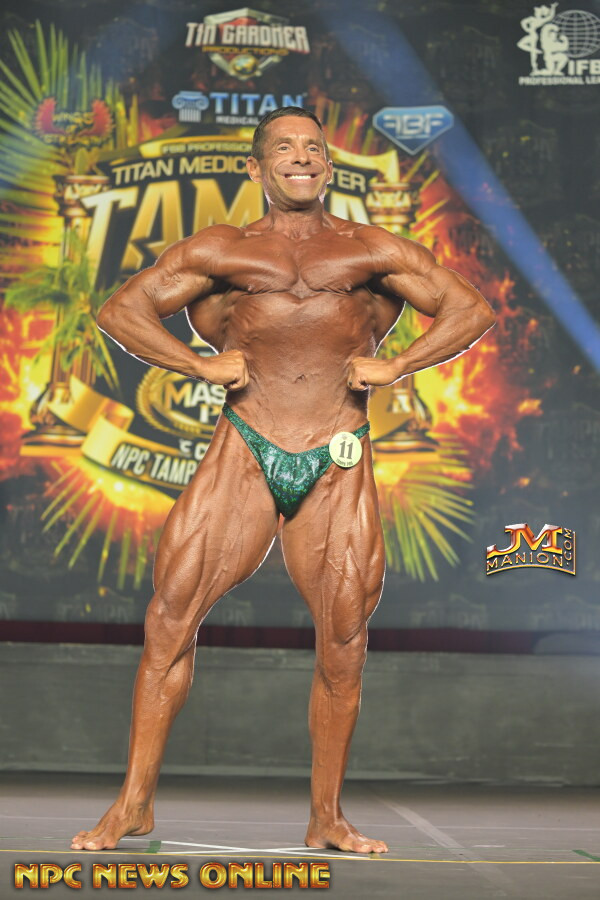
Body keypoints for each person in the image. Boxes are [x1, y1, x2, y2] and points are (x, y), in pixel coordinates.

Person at [71, 107, 495, 854]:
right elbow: (122, 309)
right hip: (245, 446)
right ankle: (133, 804)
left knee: (344, 640)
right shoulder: (222, 249)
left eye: (313, 148)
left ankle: (327, 816)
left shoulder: (371, 248)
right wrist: (196, 364)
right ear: (257, 167)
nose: (301, 157)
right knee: (169, 621)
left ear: (328, 165)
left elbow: (470, 308)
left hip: (337, 456)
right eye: (285, 148)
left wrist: (399, 364)